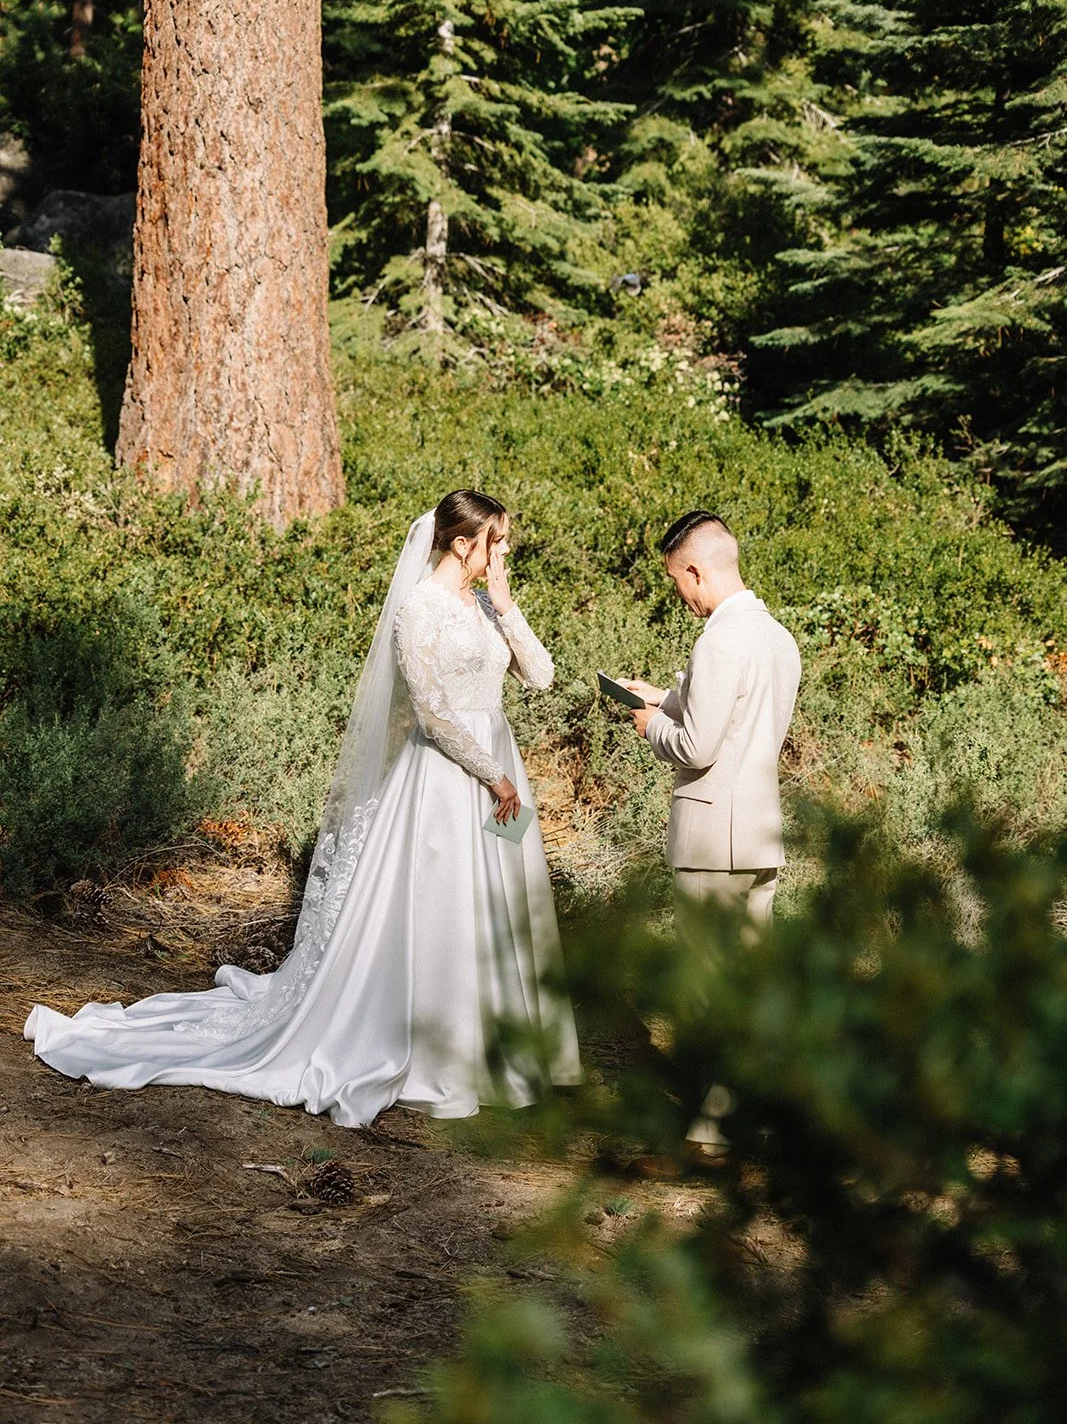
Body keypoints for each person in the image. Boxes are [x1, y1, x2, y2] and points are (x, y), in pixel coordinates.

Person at [25, 492, 581, 1126]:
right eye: (497, 541)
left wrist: (507, 608)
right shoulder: (418, 610)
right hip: (448, 777)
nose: (504, 551)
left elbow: (541, 675)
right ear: (463, 544)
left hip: (497, 766)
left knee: (501, 905)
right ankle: (441, 1051)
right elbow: (430, 711)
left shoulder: (485, 604)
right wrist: (490, 774)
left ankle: (505, 1047)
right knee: (443, 905)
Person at [624, 509, 801, 1149]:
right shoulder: (777, 637)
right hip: (758, 831)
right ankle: (753, 1108)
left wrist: (651, 726)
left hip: (710, 838)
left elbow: (697, 746)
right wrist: (667, 695)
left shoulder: (719, 640)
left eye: (678, 580)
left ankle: (714, 1124)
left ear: (695, 570)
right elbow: (742, 718)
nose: (681, 594)